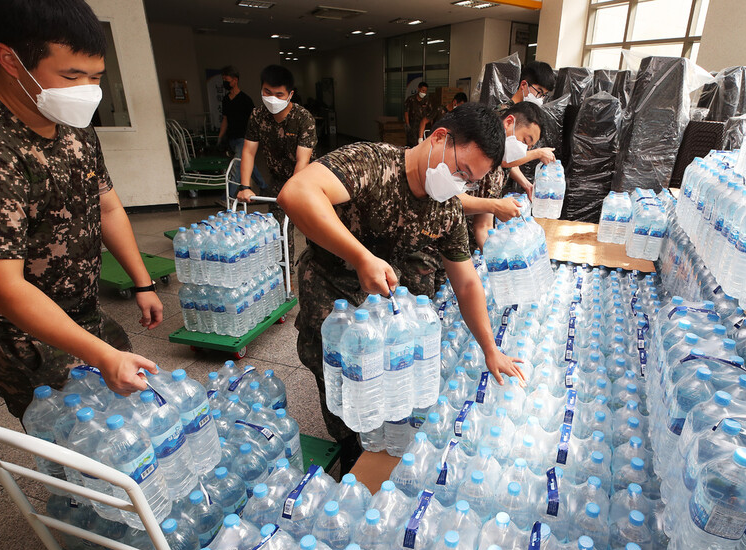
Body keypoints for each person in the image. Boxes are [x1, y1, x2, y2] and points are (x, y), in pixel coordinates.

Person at [279, 102, 525, 473]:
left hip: (381, 305)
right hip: (332, 292)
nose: (459, 184)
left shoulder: (445, 209)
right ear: (440, 138)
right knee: (340, 381)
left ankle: (370, 451)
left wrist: (490, 349)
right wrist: (361, 257)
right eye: (460, 171)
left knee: (381, 386)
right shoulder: (372, 164)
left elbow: (467, 282)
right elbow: (295, 194)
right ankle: (348, 449)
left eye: (469, 181)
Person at [0, 0, 163, 419]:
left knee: (127, 407)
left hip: (81, 307)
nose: (85, 89)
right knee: (76, 430)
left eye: (95, 77)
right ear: (10, 59)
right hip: (16, 330)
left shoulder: (72, 124)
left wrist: (142, 282)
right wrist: (101, 357)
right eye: (71, 75)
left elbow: (106, 205)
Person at [236, 64, 317, 269]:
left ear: (290, 94)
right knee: (279, 230)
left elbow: (302, 161)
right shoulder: (257, 116)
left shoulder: (302, 118)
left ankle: (317, 270)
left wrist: (292, 193)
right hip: (278, 180)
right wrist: (245, 186)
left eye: (279, 94)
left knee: (315, 228)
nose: (272, 98)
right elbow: (248, 151)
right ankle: (284, 275)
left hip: (308, 181)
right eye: (267, 92)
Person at [459, 102, 552, 251]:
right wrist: (495, 206)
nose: (523, 150)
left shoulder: (496, 163)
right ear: (508, 122)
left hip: (455, 247)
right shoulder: (472, 151)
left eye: (529, 148)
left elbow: (484, 225)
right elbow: (448, 200)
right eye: (525, 141)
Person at [496, 60, 557, 196]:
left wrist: (527, 185)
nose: (540, 98)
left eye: (544, 95)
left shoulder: (529, 117)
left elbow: (511, 159)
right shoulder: (502, 114)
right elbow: (501, 157)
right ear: (524, 84)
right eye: (539, 92)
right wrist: (537, 153)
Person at [217, 65, 266, 198]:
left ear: (235, 80)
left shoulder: (245, 100)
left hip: (244, 138)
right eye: (223, 79)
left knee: (237, 167)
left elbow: (255, 120)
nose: (225, 82)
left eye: (227, 79)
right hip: (232, 138)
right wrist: (220, 137)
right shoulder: (226, 100)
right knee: (248, 163)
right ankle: (264, 187)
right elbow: (225, 119)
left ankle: (228, 197)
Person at [403, 81, 431, 146]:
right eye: (423, 90)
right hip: (412, 127)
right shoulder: (411, 99)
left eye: (425, 91)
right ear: (418, 89)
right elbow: (406, 111)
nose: (424, 93)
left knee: (422, 145)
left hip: (423, 128)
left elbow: (430, 115)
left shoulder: (427, 101)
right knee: (411, 145)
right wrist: (407, 124)